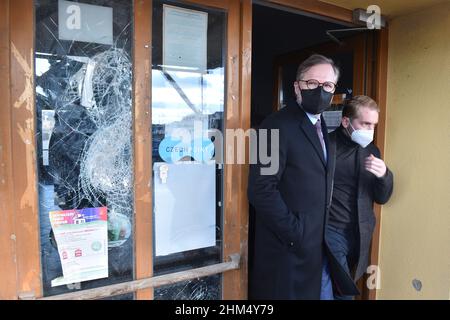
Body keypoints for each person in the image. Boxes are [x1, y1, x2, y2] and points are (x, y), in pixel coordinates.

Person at [248, 54, 358, 299]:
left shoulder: (322, 128)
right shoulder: (273, 126)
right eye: (312, 83)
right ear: (297, 86)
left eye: (327, 85)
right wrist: (296, 233)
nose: (320, 90)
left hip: (315, 249)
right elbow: (261, 189)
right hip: (286, 251)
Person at [326, 95, 394, 299]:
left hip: (360, 234)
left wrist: (384, 175)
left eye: (373, 125)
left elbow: (382, 198)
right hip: (329, 231)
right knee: (344, 292)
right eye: (365, 123)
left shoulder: (372, 151)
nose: (370, 130)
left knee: (342, 287)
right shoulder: (325, 147)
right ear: (345, 121)